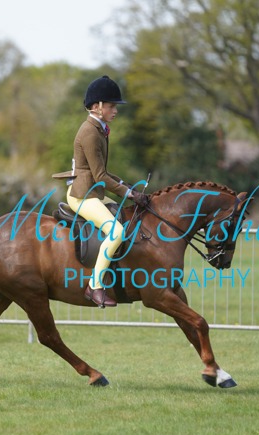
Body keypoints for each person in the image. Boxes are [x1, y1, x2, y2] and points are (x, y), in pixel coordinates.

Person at [66, 75, 149, 307]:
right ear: (97, 106)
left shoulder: (99, 129)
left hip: (93, 193)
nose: (115, 110)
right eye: (111, 106)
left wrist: (127, 185)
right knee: (116, 232)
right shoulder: (90, 132)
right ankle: (94, 286)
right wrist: (129, 194)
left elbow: (103, 171)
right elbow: (100, 176)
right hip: (82, 195)